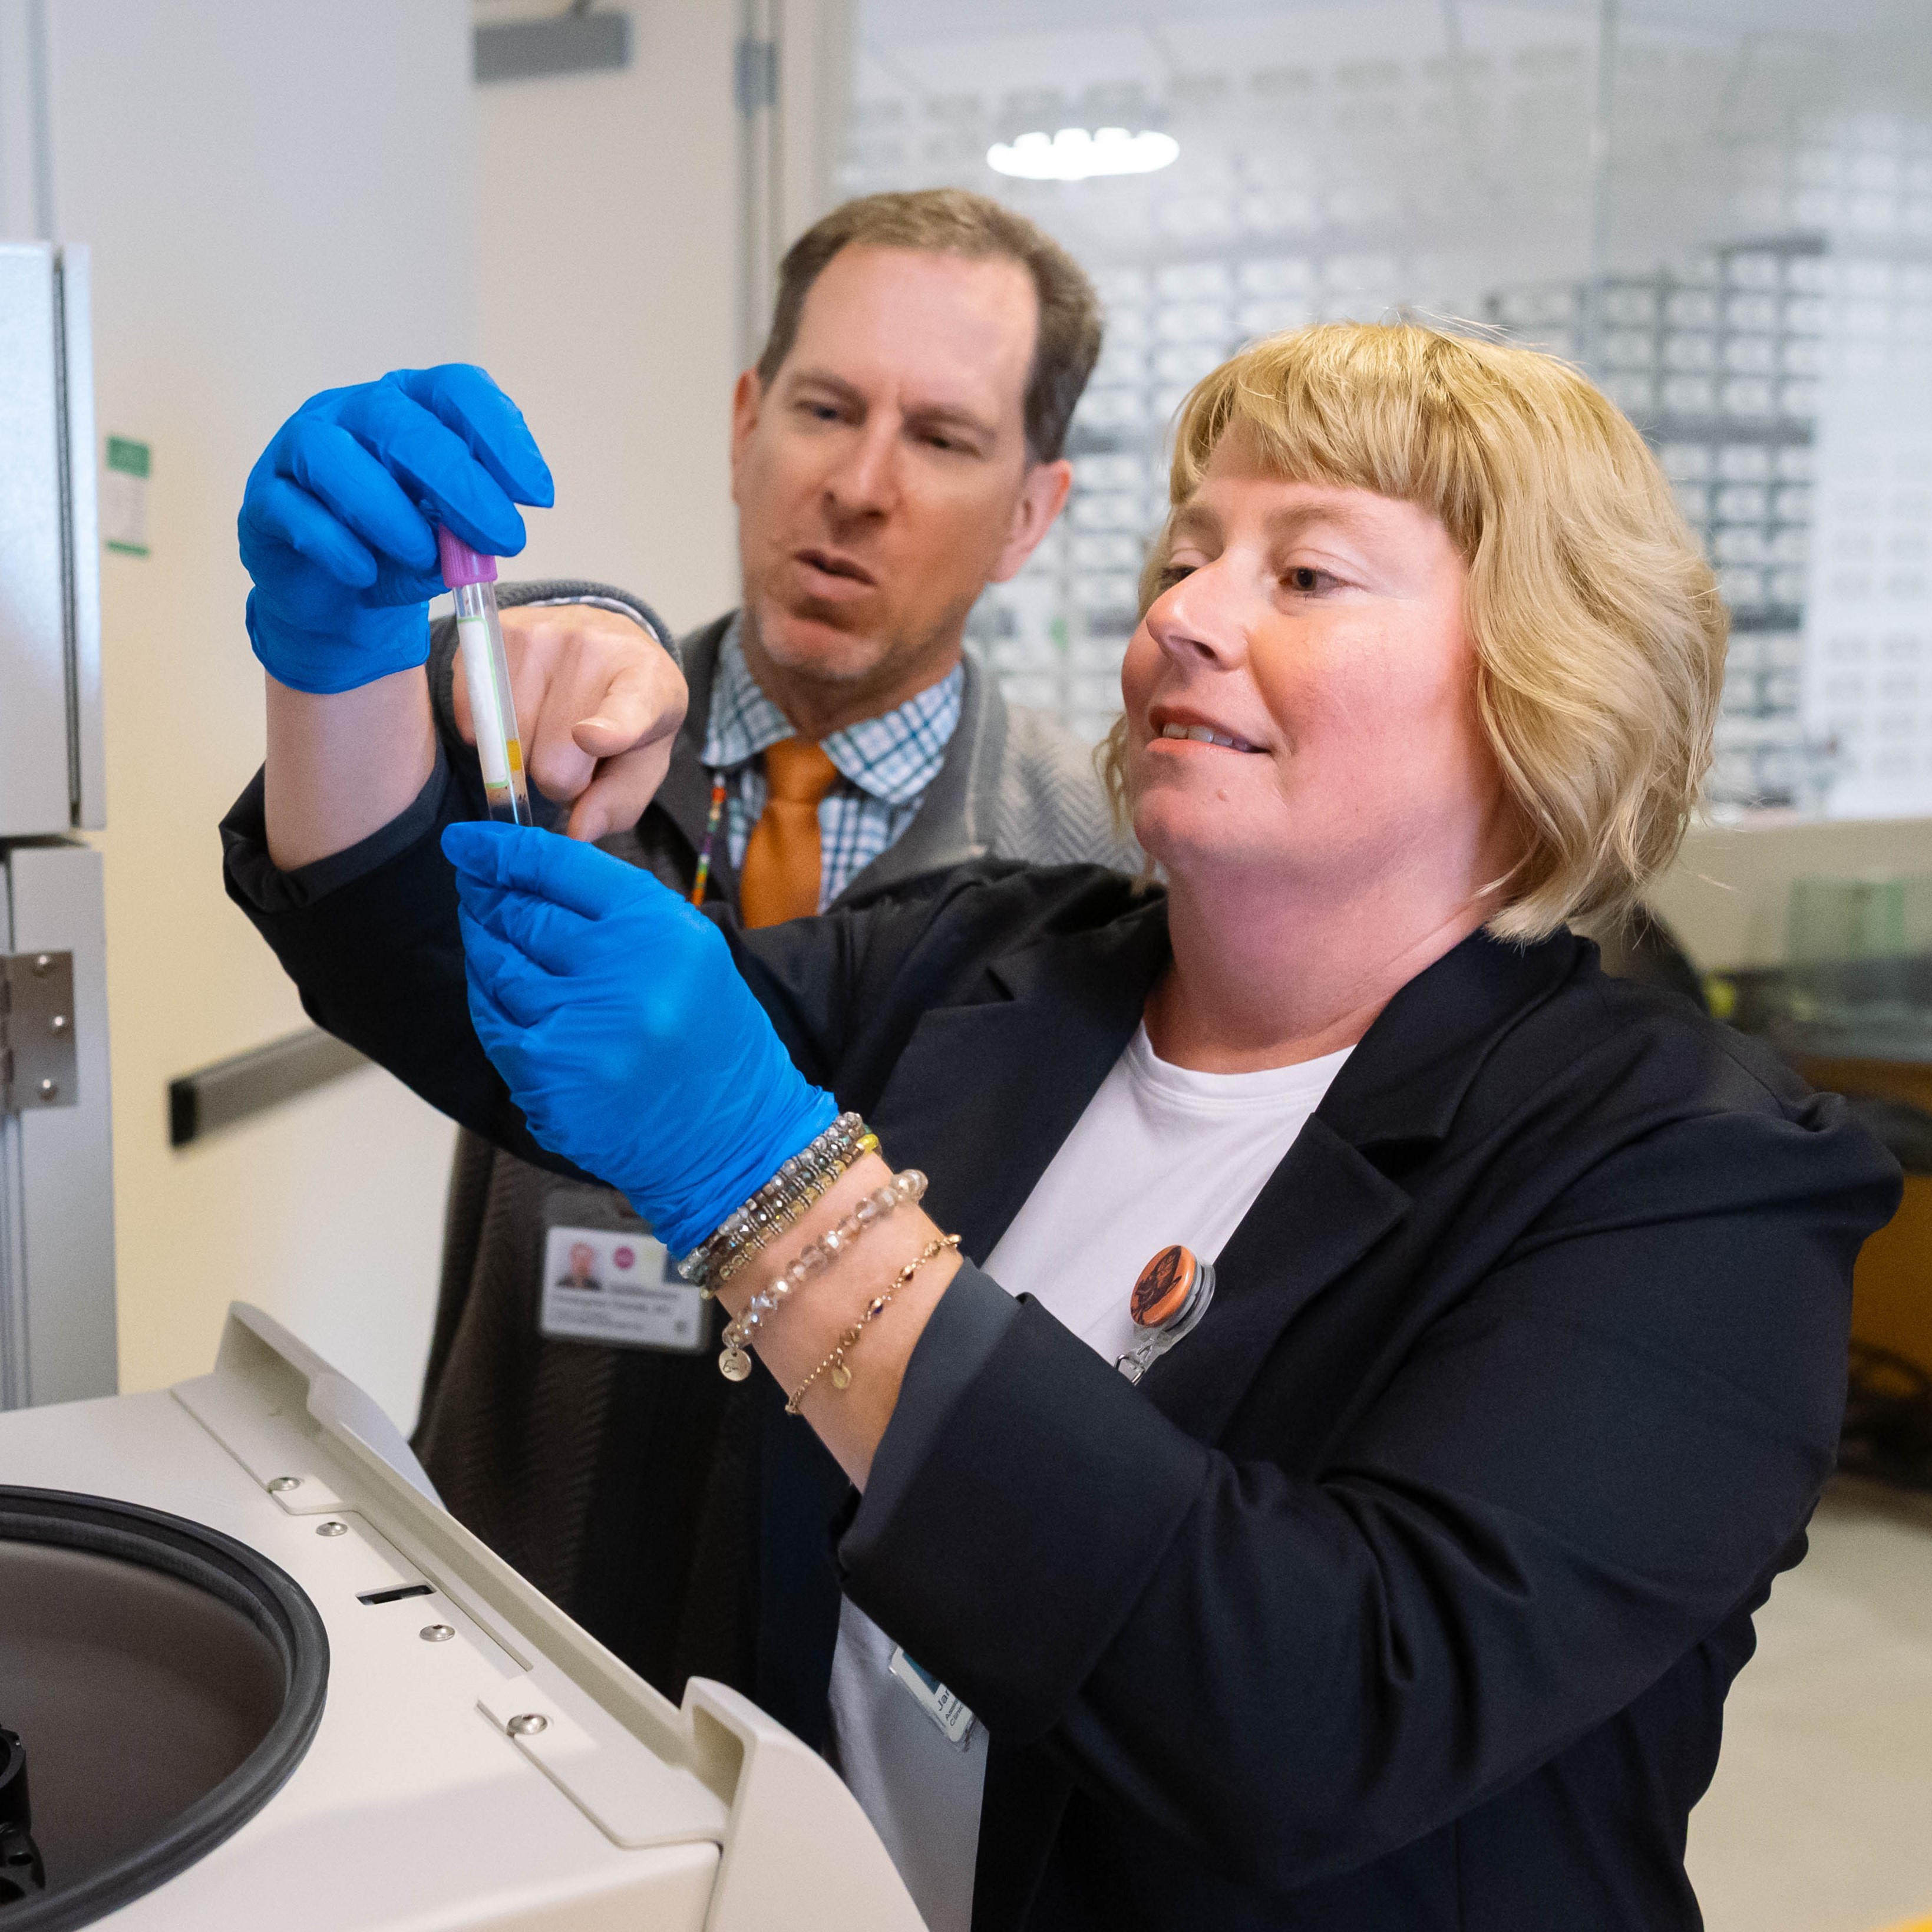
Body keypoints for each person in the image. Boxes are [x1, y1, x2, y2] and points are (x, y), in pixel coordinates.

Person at [225, 320, 1900, 1930]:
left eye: (1303, 573)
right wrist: (358, 672)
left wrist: (775, 1191)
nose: (1184, 617)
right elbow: (498, 1018)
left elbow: (1313, 1709)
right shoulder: (991, 962)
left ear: (1545, 684)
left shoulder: (1693, 1178)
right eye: (1185, 558)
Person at [235, 188, 1132, 1644]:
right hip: (518, 1586)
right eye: (825, 408)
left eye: (944, 438)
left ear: (1032, 509)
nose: (859, 483)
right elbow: (362, 900)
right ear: (743, 423)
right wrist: (336, 660)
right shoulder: (548, 727)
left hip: (872, 1663)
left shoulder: (1090, 867)